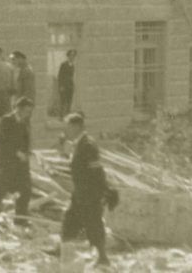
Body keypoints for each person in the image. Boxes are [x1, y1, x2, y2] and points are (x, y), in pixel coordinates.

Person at [60, 113, 115, 267]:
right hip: (79, 193)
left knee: (94, 225)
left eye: (68, 127)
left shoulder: (88, 145)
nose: (66, 130)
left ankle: (103, 258)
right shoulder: (78, 144)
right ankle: (65, 255)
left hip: (90, 194)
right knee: (69, 222)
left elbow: (96, 171)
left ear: (77, 127)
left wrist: (104, 191)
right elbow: (77, 166)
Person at [0, 97, 34, 226]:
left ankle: (20, 219)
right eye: (26, 111)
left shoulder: (24, 123)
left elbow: (25, 142)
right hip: (8, 162)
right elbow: (5, 142)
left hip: (21, 164)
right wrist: (18, 153)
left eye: (29, 112)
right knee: (1, 189)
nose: (28, 114)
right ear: (18, 109)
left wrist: (27, 154)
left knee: (25, 190)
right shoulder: (7, 120)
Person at [58, 50, 77, 118]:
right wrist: (61, 86)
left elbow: (71, 77)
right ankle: (61, 116)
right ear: (68, 56)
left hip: (70, 86)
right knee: (63, 101)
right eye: (71, 55)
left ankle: (67, 116)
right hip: (64, 86)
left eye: (73, 56)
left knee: (69, 101)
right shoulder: (63, 65)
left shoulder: (73, 66)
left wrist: (73, 86)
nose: (72, 57)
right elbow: (60, 76)